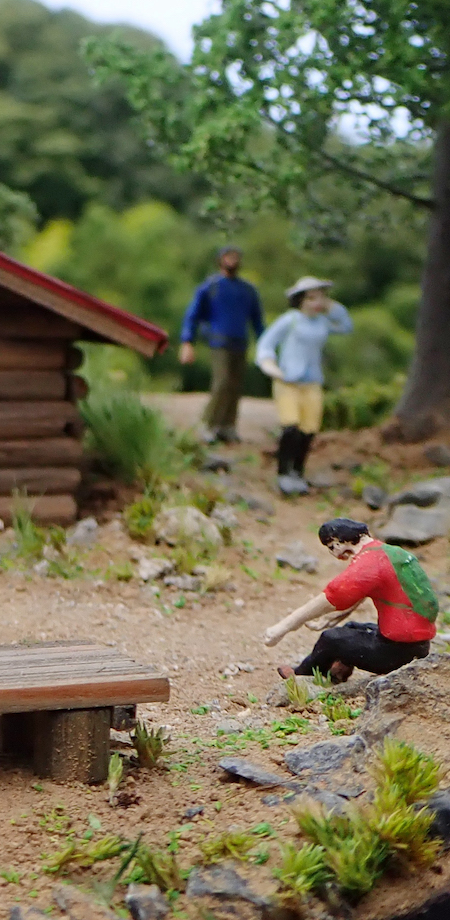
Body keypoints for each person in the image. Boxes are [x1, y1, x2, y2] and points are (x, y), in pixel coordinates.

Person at [263, 518, 437, 683]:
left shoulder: (368, 562)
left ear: (339, 541)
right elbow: (362, 592)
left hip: (397, 652)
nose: (333, 553)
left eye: (332, 547)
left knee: (331, 638)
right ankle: (338, 672)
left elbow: (332, 596)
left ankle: (302, 675)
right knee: (351, 628)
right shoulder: (389, 552)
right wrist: (333, 618)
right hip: (418, 644)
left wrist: (283, 627)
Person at [256, 276, 352, 496]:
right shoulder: (290, 320)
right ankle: (283, 472)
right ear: (300, 300)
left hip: (312, 382)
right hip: (289, 380)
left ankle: (298, 472)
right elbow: (267, 343)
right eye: (311, 298)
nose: (316, 303)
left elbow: (346, 326)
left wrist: (332, 307)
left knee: (308, 430)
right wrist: (269, 363)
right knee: (291, 427)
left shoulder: (322, 323)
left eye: (320, 298)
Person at [178, 245, 265, 444]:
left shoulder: (248, 290)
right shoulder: (211, 287)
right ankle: (210, 423)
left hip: (240, 342)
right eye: (229, 257)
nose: (232, 261)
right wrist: (187, 341)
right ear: (220, 260)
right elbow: (192, 316)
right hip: (219, 342)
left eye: (236, 257)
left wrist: (264, 344)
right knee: (222, 382)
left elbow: (257, 320)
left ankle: (228, 424)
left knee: (235, 385)